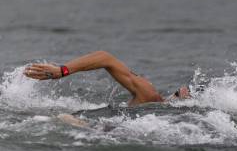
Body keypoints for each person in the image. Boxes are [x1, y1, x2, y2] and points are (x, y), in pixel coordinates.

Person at [23, 51, 191, 106]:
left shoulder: (151, 97)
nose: (176, 92)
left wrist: (63, 70)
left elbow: (105, 58)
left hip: (100, 129)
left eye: (177, 94)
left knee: (64, 118)